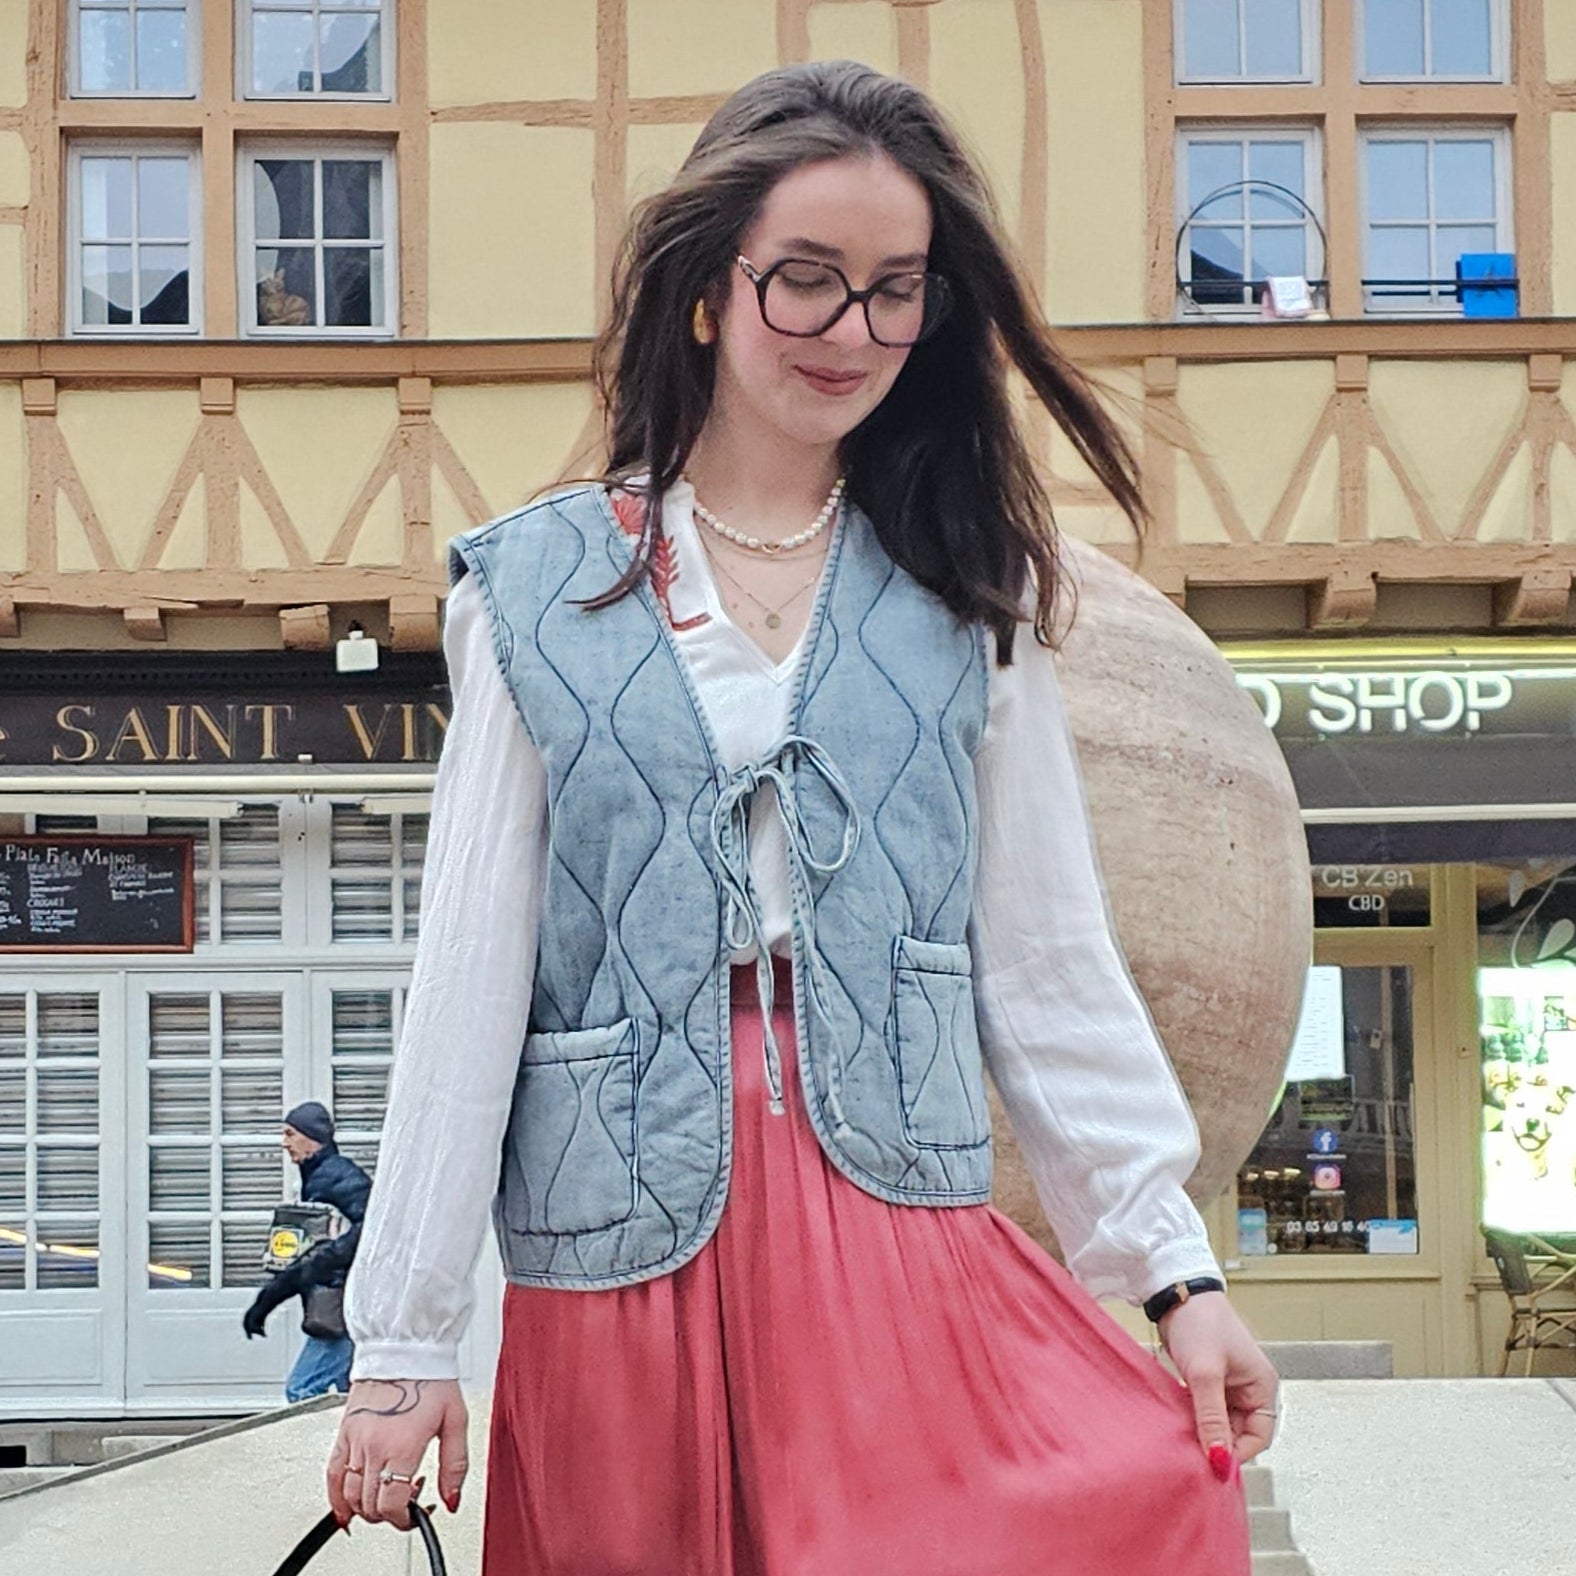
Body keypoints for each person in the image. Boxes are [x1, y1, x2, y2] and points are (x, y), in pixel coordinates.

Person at [329, 60, 1280, 1573]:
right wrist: (402, 1341)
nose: (851, 332)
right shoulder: (530, 592)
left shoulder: (972, 592)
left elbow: (1046, 964)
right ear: (712, 288)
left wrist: (1178, 1276)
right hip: (615, 1250)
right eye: (808, 280)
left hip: (894, 1236)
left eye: (895, 292)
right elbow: (469, 984)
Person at [244, 1101, 372, 1403]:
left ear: (313, 1138)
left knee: (302, 1389)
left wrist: (326, 1258)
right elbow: (305, 1260)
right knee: (350, 1392)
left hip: (339, 1304)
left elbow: (372, 1227)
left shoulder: (336, 1176)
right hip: (341, 1302)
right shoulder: (320, 1177)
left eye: (290, 1134)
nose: (284, 1143)